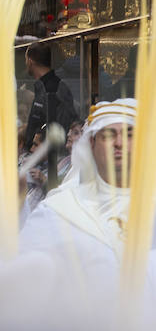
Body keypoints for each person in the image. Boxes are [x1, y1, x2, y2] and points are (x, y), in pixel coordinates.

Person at [20, 99, 137, 293]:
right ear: (91, 143)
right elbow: (22, 279)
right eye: (108, 135)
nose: (119, 143)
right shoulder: (59, 211)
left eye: (129, 135)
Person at [22, 41, 78, 152]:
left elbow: (59, 123)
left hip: (48, 156)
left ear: (30, 60)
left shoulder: (55, 88)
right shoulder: (43, 86)